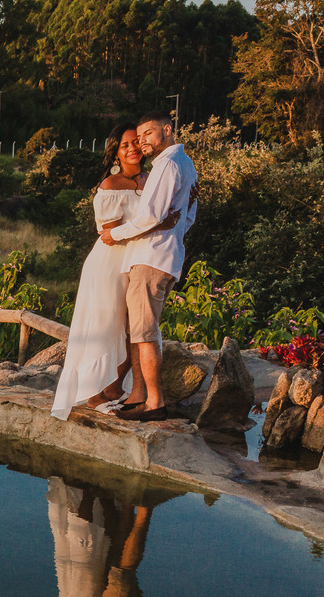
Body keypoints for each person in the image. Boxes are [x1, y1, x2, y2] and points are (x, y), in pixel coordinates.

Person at [51, 123, 178, 421]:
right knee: (109, 327)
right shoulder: (110, 186)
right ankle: (96, 394)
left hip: (139, 262)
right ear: (115, 153)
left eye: (136, 142)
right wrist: (158, 224)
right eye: (125, 145)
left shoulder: (151, 180)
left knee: (133, 330)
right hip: (109, 264)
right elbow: (109, 234)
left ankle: (117, 388)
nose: (133, 148)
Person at [99, 110, 199, 422]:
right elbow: (188, 217)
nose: (142, 142)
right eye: (139, 136)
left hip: (150, 257)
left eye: (148, 134)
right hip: (166, 256)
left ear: (167, 130)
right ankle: (140, 396)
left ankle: (154, 403)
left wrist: (115, 234)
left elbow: (151, 217)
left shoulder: (166, 164)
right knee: (142, 330)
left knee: (144, 334)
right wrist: (171, 231)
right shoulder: (185, 163)